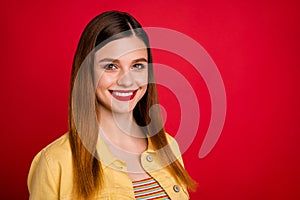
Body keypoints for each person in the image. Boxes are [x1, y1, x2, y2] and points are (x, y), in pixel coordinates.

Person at [27, 10, 196, 200]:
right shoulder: (54, 162)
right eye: (111, 66)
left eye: (137, 65)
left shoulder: (168, 146)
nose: (126, 81)